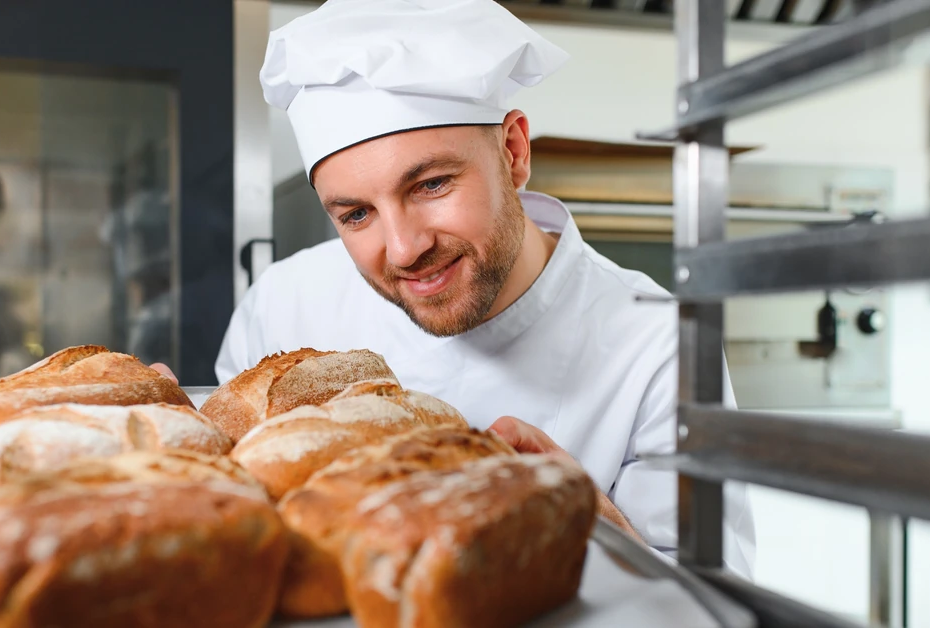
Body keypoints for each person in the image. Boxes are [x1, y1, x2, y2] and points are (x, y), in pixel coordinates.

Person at [155, 0, 754, 575]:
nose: (404, 248)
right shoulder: (284, 302)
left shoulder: (658, 339)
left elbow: (714, 601)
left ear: (514, 152)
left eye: (431, 184)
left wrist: (590, 521)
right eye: (356, 215)